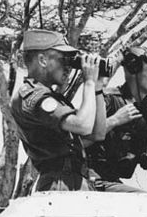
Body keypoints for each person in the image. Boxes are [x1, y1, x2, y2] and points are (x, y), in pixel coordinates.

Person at [11, 29, 107, 191]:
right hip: (60, 182)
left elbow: (97, 134)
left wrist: (97, 88)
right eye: (64, 60)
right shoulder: (32, 96)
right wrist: (88, 83)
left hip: (73, 179)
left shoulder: (50, 96)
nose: (69, 67)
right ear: (42, 60)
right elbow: (82, 125)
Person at [86, 46, 147, 192]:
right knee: (142, 201)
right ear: (134, 68)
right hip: (90, 181)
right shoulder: (107, 99)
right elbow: (77, 141)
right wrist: (114, 120)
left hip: (112, 182)